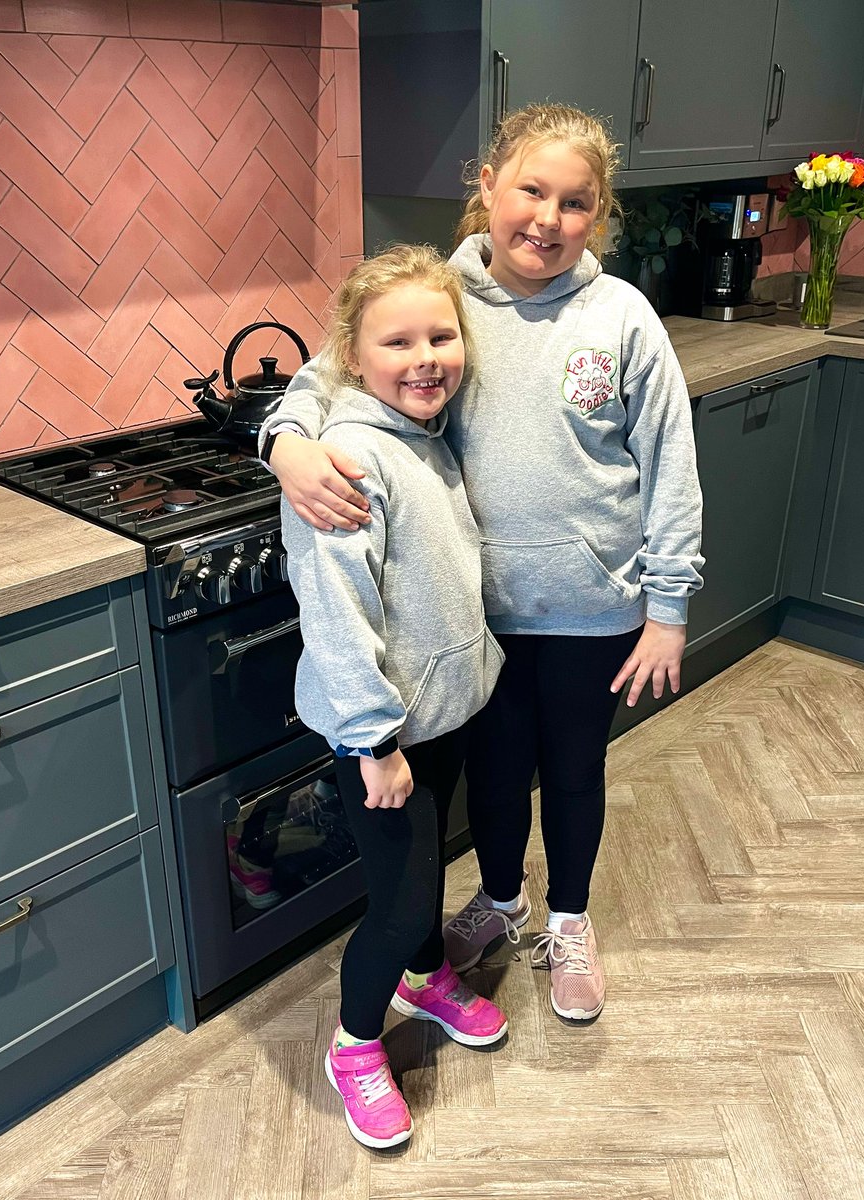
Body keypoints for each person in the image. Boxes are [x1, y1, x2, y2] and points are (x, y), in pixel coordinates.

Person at [264, 104, 704, 1027]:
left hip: (594, 609)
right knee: (499, 778)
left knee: (576, 772)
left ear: (600, 215)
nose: (548, 217)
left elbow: (671, 464)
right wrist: (286, 444)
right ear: (488, 189)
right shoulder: (447, 298)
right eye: (531, 191)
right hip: (480, 615)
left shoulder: (621, 316)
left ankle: (570, 921)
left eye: (575, 202)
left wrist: (667, 608)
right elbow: (326, 372)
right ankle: (501, 902)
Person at [281, 244, 508, 1151]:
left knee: (421, 875)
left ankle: (424, 979)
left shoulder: (428, 431)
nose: (426, 357)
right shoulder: (347, 461)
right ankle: (355, 1044)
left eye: (442, 336)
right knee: (403, 903)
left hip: (441, 707)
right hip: (380, 729)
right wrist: (375, 741)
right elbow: (338, 612)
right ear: (352, 354)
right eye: (398, 341)